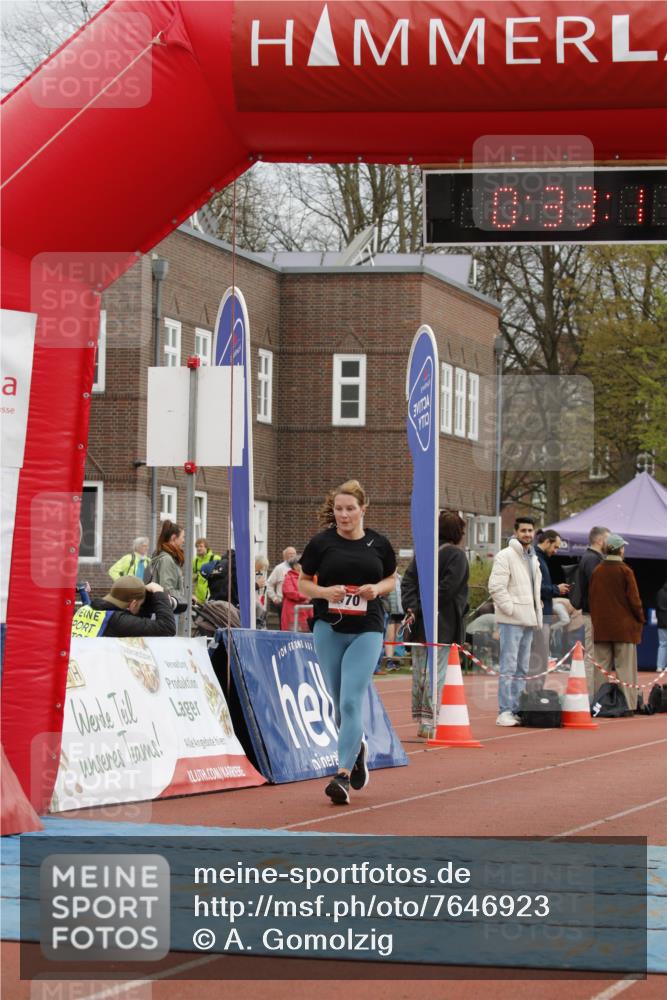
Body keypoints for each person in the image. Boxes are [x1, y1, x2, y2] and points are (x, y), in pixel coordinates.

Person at [299, 480, 396, 805]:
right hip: (329, 628)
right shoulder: (321, 543)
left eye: (350, 509)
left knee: (352, 701)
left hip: (367, 628)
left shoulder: (378, 544)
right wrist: (325, 592)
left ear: (362, 509)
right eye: (339, 509)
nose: (344, 515)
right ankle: (357, 750)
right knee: (340, 703)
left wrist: (377, 589)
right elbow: (302, 584)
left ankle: (341, 775)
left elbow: (392, 579)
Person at [401, 511, 469, 739]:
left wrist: (414, 606)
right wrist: (425, 605)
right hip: (444, 623)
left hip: (419, 623)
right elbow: (449, 589)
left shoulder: (424, 553)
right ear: (458, 532)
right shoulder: (457, 556)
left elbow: (408, 581)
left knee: (420, 672)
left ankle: (422, 719)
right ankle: (431, 721)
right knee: (436, 673)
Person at [488, 515, 543, 727]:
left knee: (522, 668)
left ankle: (518, 708)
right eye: (523, 531)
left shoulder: (533, 558)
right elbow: (496, 587)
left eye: (530, 530)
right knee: (509, 666)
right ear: (516, 532)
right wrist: (511, 610)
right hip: (512, 620)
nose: (527, 534)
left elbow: (533, 590)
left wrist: (535, 613)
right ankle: (504, 710)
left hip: (529, 619)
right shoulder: (506, 556)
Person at [588, 534, 644, 711]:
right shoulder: (625, 570)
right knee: (625, 669)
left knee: (600, 670)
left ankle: (598, 703)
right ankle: (628, 704)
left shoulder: (597, 570)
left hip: (602, 627)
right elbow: (634, 600)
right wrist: (640, 618)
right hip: (624, 628)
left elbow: (592, 598)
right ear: (619, 549)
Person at [569, 525, 610, 697]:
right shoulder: (592, 559)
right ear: (600, 540)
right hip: (592, 614)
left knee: (594, 656)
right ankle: (589, 696)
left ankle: (592, 695)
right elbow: (597, 588)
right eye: (608, 538)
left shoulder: (590, 557)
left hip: (592, 613)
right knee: (591, 657)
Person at [71, 577, 176, 638]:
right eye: (139, 605)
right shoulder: (116, 620)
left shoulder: (87, 608)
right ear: (133, 604)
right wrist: (159, 593)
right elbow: (167, 628)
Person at [531, 530, 570, 681]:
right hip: (540, 615)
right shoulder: (536, 558)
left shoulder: (539, 558)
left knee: (540, 657)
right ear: (547, 541)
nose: (556, 551)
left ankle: (535, 691)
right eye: (555, 546)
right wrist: (556, 589)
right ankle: (535, 692)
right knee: (540, 656)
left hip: (543, 614)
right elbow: (536, 587)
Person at [149, 520, 187, 608]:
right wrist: (185, 596)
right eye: (182, 537)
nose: (183, 540)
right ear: (174, 537)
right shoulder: (167, 559)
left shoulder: (165, 556)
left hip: (163, 607)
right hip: (167, 608)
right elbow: (167, 590)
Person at [266, 546, 298, 627]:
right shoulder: (279, 568)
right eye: (290, 554)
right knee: (284, 625)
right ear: (284, 556)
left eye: (294, 553)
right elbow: (269, 584)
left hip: (298, 603)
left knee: (298, 626)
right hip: (282, 603)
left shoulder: (300, 568)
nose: (292, 555)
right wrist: (274, 598)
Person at [281, 559, 310, 631]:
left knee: (305, 638)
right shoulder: (288, 577)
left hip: (305, 612)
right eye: (301, 564)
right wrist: (306, 596)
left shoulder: (306, 578)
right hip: (292, 613)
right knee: (293, 638)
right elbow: (290, 592)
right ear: (295, 566)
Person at [192, 538, 220, 604]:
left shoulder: (215, 558)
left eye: (201, 546)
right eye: (197, 546)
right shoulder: (195, 561)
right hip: (198, 598)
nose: (198, 548)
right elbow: (193, 578)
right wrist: (195, 577)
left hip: (211, 597)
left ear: (206, 547)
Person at [657, 581, 667, 673]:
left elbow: (658, 607)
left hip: (661, 622)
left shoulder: (660, 592)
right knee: (663, 644)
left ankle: (660, 666)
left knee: (662, 644)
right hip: (663, 622)